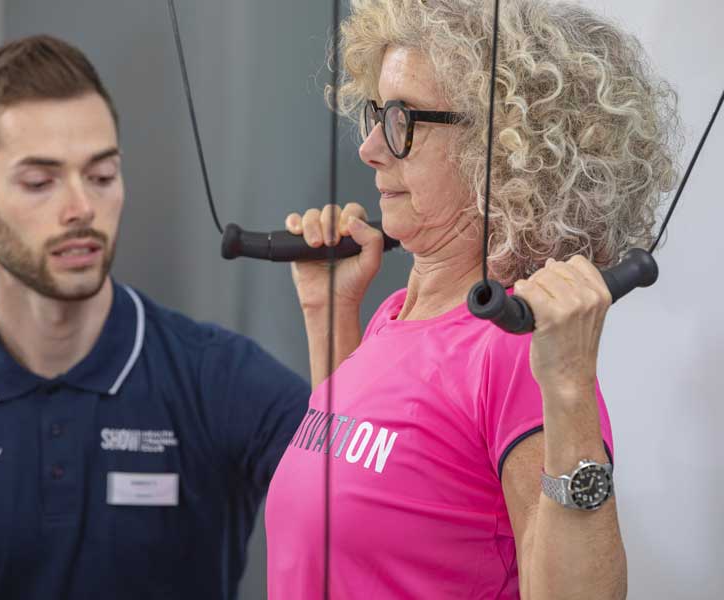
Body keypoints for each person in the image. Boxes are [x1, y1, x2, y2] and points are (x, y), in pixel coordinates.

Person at [266, 0, 678, 598]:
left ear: (506, 148)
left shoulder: (511, 348)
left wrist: (567, 384)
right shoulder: (392, 318)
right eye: (377, 113)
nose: (372, 148)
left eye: (404, 119)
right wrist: (328, 316)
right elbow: (367, 489)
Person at [0, 35, 310, 600]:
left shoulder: (218, 379)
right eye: (40, 182)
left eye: (102, 176)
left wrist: (335, 315)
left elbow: (368, 511)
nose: (81, 206)